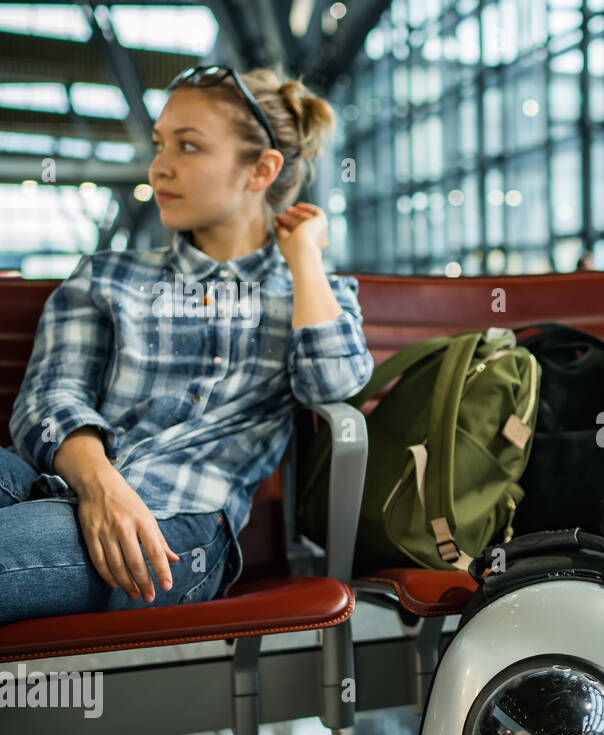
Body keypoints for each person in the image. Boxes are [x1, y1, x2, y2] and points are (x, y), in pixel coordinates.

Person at [0, 66, 373, 625]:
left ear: (261, 169)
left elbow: (335, 383)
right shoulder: (108, 276)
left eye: (189, 146)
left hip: (183, 528)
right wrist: (102, 486)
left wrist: (304, 257)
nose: (160, 167)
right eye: (159, 145)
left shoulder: (308, 292)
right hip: (58, 483)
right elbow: (46, 400)